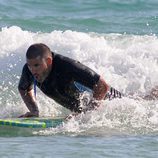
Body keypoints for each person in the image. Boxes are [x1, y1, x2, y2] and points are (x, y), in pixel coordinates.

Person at [18, 43, 122, 118]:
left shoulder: (68, 66)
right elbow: (23, 89)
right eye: (29, 65)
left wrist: (86, 115)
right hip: (90, 111)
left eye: (36, 65)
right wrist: (34, 111)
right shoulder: (29, 70)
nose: (32, 70)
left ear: (48, 61)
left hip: (113, 103)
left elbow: (102, 86)